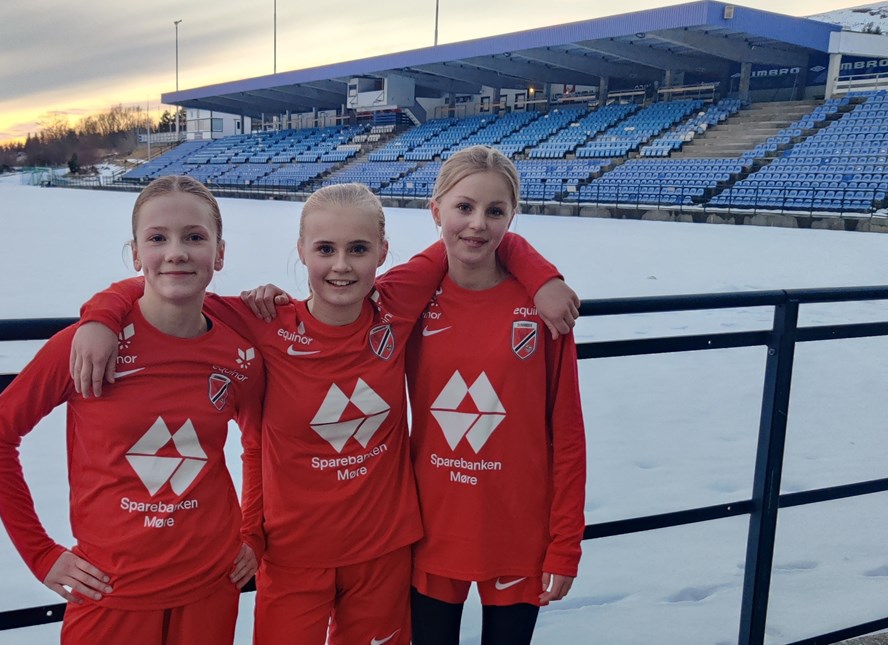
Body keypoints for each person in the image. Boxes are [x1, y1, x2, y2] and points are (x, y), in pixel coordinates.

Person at [68, 182, 578, 645]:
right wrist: (101, 315)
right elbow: (171, 283)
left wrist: (543, 279)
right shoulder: (264, 321)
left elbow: (477, 233)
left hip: (384, 553)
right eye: (325, 249)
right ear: (301, 251)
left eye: (358, 249)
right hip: (292, 558)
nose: (341, 266)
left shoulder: (397, 302)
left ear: (382, 252)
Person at [0, 175, 264, 645]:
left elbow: (260, 444)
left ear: (220, 253)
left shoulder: (240, 350)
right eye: (157, 238)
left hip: (213, 584)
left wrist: (253, 534)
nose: (176, 253)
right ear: (135, 254)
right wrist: (40, 554)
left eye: (194, 237)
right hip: (110, 591)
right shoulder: (86, 346)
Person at [407, 146, 586, 645]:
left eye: (495, 211)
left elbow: (567, 434)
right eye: (464, 207)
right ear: (436, 210)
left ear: (512, 217)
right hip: (431, 530)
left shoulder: (544, 311)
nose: (477, 224)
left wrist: (565, 543)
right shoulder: (409, 303)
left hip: (517, 535)